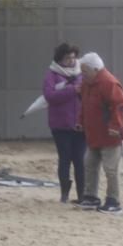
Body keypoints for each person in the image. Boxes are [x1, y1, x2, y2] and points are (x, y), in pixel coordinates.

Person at [76, 52, 123, 215]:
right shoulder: (87, 83)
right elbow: (84, 105)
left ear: (95, 69)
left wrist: (115, 126)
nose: (82, 74)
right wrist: (80, 121)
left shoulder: (109, 83)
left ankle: (113, 201)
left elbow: (120, 106)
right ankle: (91, 196)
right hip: (94, 133)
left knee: (110, 168)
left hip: (111, 135)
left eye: (84, 71)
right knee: (89, 164)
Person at [42, 43, 85, 203]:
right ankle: (64, 193)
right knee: (65, 159)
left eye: (73, 57)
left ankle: (81, 194)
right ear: (60, 59)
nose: (71, 60)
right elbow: (50, 96)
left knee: (80, 160)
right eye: (68, 57)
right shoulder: (51, 75)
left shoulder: (82, 72)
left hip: (81, 125)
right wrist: (72, 90)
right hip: (60, 125)